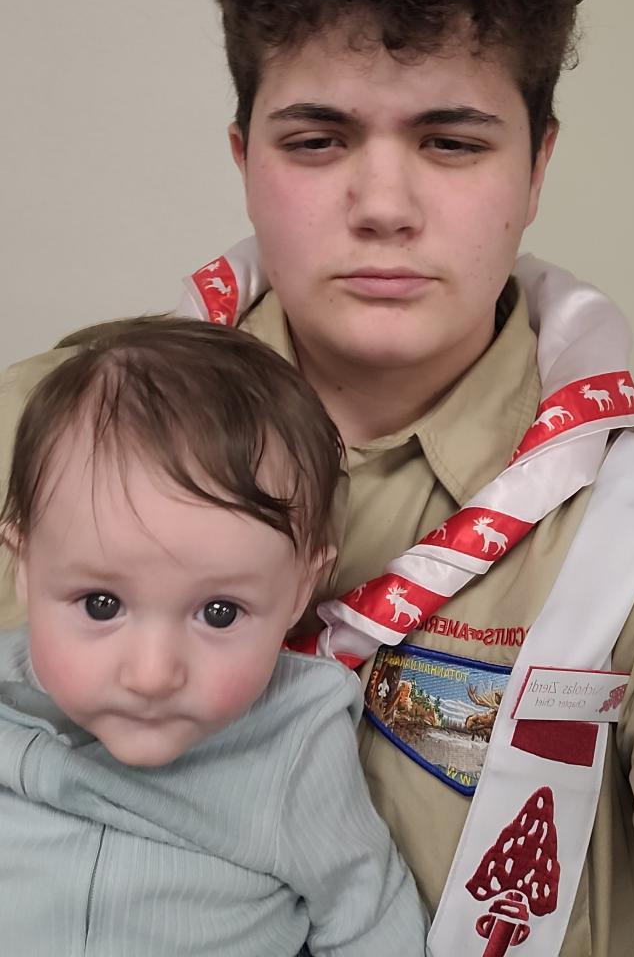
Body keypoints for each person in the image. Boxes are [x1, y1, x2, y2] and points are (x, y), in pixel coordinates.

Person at [0, 0, 634, 955]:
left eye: (451, 142)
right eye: (318, 139)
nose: (383, 205)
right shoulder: (28, 430)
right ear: (244, 157)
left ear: (537, 168)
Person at [0, 316, 427, 956]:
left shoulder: (294, 741)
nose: (152, 674)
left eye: (220, 613)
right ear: (25, 567)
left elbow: (368, 916)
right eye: (101, 604)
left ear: (299, 591)